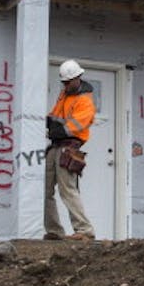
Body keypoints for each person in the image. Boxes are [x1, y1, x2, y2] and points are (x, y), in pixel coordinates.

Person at [44, 59, 94, 240]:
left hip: (69, 146)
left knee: (67, 189)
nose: (65, 85)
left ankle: (84, 230)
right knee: (45, 189)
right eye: (63, 82)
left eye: (68, 82)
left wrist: (58, 130)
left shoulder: (85, 100)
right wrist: (48, 120)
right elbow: (56, 114)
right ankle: (54, 230)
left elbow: (78, 124)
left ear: (77, 78)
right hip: (56, 145)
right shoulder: (64, 94)